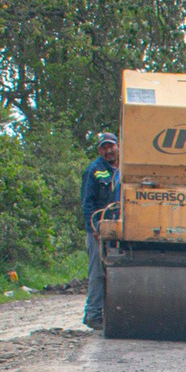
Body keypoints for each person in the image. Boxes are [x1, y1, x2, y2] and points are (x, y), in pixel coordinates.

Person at [79, 133, 119, 330]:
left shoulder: (125, 169)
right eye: (104, 147)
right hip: (98, 230)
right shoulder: (94, 171)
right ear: (99, 151)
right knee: (98, 271)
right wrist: (93, 227)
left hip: (118, 228)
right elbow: (87, 203)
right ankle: (93, 314)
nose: (108, 150)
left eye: (111, 146)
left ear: (118, 146)